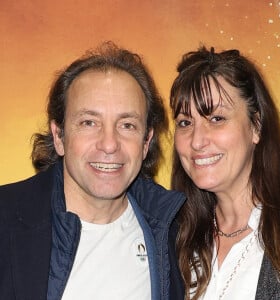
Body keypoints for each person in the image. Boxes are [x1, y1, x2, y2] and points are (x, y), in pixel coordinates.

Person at [0, 41, 186, 300]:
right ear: (58, 136)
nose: (109, 144)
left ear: (146, 143)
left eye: (127, 125)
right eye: (89, 122)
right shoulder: (6, 220)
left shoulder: (175, 235)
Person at [169, 46, 280, 299]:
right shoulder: (172, 239)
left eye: (216, 118)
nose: (197, 141)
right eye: (185, 122)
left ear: (256, 126)